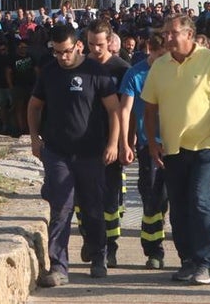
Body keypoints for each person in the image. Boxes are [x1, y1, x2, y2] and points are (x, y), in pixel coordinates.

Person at [141, 15, 210, 286]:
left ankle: (206, 262)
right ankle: (188, 260)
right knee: (179, 207)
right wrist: (152, 142)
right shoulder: (159, 66)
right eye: (165, 33)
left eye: (172, 33)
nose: (167, 38)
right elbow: (149, 109)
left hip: (206, 146)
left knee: (199, 200)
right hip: (172, 148)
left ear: (189, 35)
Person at [29, 23, 121, 287]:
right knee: (61, 207)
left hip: (91, 152)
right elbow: (34, 106)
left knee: (92, 207)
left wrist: (113, 143)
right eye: (57, 52)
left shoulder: (96, 72)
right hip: (57, 152)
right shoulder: (49, 73)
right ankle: (59, 266)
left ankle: (98, 256)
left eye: (66, 52)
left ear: (78, 46)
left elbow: (114, 110)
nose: (62, 57)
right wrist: (35, 138)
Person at [118, 32, 170, 269]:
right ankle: (153, 251)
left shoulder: (174, 71)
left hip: (177, 144)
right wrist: (125, 142)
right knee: (152, 200)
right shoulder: (135, 74)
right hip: (149, 146)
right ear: (150, 49)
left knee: (172, 200)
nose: (164, 61)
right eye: (160, 56)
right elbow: (125, 110)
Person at [83, 19, 131, 267]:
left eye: (100, 44)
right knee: (85, 199)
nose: (95, 50)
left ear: (111, 42)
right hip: (84, 143)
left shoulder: (122, 70)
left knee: (110, 201)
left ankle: (110, 248)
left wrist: (124, 143)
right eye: (91, 44)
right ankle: (91, 242)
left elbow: (126, 110)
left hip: (110, 142)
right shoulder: (82, 66)